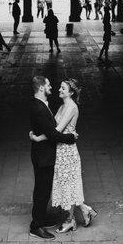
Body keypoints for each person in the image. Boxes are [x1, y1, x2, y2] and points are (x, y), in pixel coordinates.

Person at [30, 79, 98, 232]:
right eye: (59, 87)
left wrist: (37, 138)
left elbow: (56, 130)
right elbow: (51, 129)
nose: (59, 89)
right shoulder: (62, 106)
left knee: (68, 184)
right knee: (65, 184)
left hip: (67, 151)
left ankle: (70, 220)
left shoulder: (71, 107)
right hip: (59, 150)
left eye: (63, 88)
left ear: (71, 92)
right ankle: (83, 211)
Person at [29, 76, 78, 240]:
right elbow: (53, 134)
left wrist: (37, 137)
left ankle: (41, 218)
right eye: (49, 84)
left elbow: (51, 129)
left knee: (44, 189)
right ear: (42, 87)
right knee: (42, 191)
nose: (53, 87)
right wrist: (71, 138)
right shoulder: (40, 108)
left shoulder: (42, 104)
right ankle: (36, 226)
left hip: (44, 154)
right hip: (43, 156)